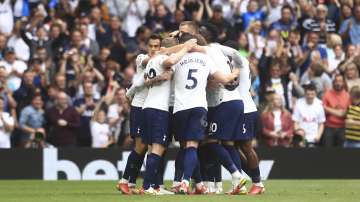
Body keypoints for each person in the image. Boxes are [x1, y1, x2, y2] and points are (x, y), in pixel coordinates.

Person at [172, 33, 240, 194]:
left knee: (183, 146)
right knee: (192, 146)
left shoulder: (176, 58)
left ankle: (189, 182)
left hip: (179, 107)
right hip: (199, 107)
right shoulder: (207, 59)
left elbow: (167, 66)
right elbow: (225, 80)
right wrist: (235, 73)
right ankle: (185, 182)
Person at [140, 37, 194, 195]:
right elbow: (169, 61)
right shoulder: (163, 58)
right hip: (159, 109)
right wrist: (185, 48)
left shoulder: (151, 61)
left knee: (152, 149)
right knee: (158, 148)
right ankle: (147, 186)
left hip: (147, 107)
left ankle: (154, 186)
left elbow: (147, 80)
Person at [117, 34, 161, 194]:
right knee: (141, 146)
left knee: (147, 147)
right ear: (147, 46)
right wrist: (130, 93)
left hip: (149, 107)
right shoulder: (142, 58)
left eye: (157, 46)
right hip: (139, 107)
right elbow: (139, 81)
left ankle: (131, 182)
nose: (153, 49)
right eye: (151, 46)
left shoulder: (160, 61)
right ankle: (124, 180)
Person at [292, 82, 326, 147]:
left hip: (314, 138)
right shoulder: (298, 104)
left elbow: (321, 123)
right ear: (305, 94)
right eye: (308, 94)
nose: (310, 96)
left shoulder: (319, 105)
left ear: (315, 94)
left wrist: (318, 136)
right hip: (301, 138)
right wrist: (299, 136)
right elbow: (295, 122)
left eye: (312, 94)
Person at [322, 74, 351, 147]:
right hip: (328, 127)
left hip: (342, 127)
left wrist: (328, 108)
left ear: (344, 83)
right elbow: (323, 111)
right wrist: (338, 111)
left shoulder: (348, 96)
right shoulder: (327, 94)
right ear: (333, 82)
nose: (338, 83)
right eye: (336, 81)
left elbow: (345, 114)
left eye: (340, 81)